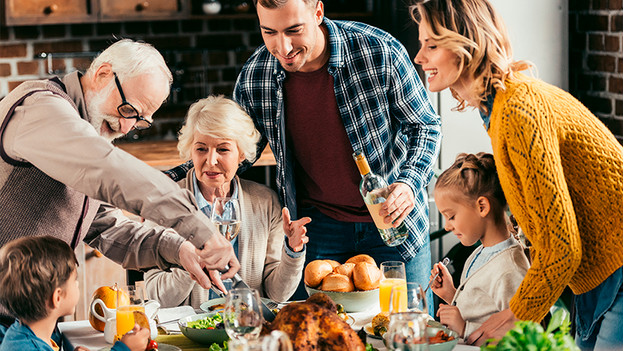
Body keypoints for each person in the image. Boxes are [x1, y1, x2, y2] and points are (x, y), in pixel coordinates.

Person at [412, 0, 623, 348]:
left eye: (432, 45)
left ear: (467, 44)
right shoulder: (500, 109)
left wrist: (513, 314)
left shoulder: (517, 111)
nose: (420, 57)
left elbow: (562, 245)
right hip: (600, 274)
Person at [0, 39, 239, 334]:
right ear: (103, 74)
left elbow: (108, 229)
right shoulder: (41, 107)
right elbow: (106, 166)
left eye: (139, 122)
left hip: (32, 323)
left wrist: (180, 250)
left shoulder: (87, 133)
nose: (126, 128)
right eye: (129, 110)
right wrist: (198, 226)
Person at [226, 0, 440, 301]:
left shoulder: (379, 51)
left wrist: (409, 182)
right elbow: (234, 152)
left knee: (408, 333)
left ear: (318, 12)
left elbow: (425, 126)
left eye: (293, 30)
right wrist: (169, 190)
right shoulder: (255, 76)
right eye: (269, 32)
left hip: (392, 222)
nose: (282, 46)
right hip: (318, 229)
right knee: (319, 335)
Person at [144, 96, 310, 308]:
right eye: (201, 149)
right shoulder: (164, 203)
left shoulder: (265, 203)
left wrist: (292, 251)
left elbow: (278, 295)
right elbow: (156, 296)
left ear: (241, 154)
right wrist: (191, 263)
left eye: (223, 149)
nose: (211, 160)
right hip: (188, 328)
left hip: (247, 324)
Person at [430, 152, 529, 339]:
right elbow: (483, 310)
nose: (447, 226)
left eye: (451, 216)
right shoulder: (480, 252)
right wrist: (451, 295)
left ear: (482, 206)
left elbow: (517, 337)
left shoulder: (510, 270)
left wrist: (464, 328)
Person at [0, 236, 150, 351]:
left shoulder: (21, 334)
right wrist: (124, 349)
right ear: (57, 298)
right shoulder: (28, 348)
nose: (77, 284)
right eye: (74, 280)